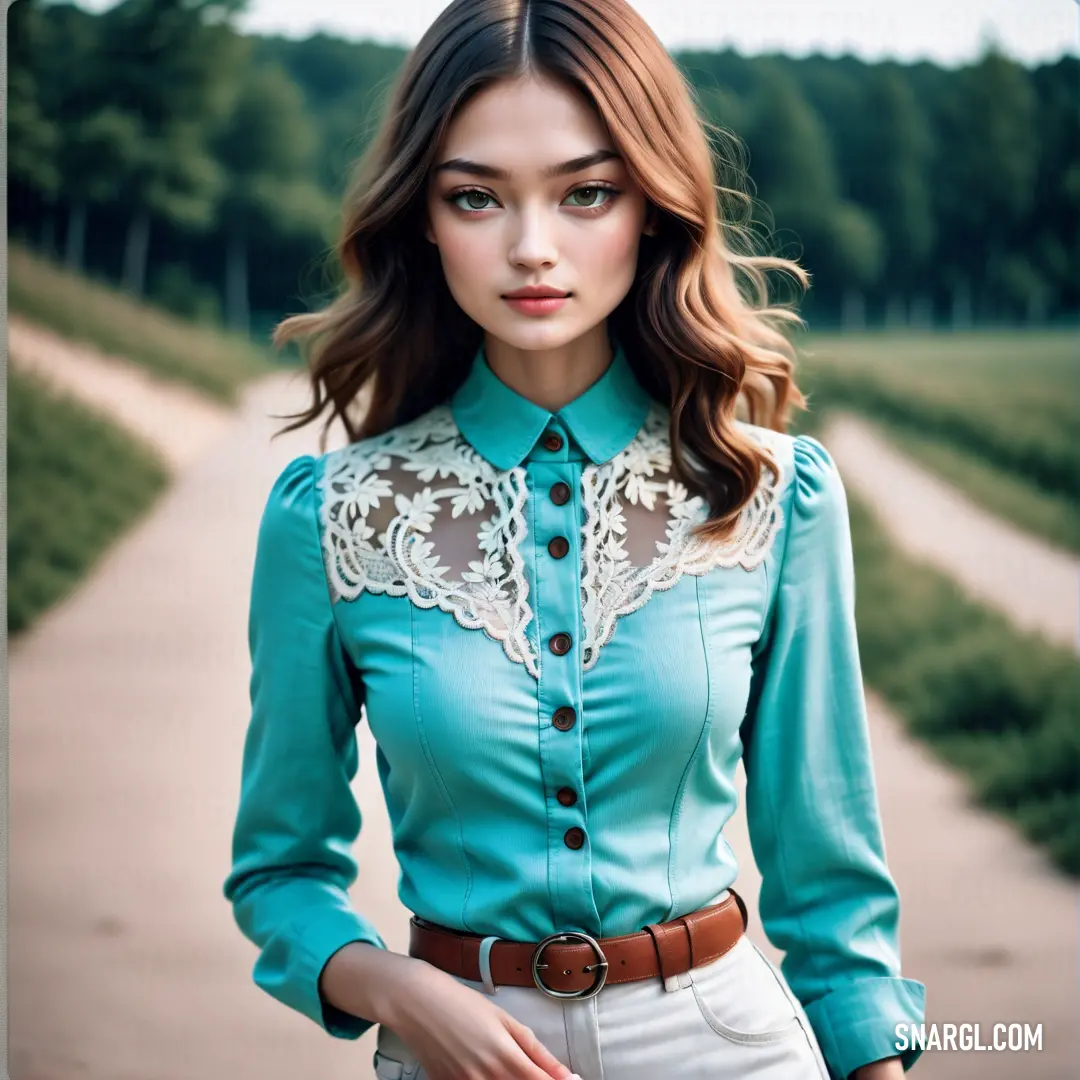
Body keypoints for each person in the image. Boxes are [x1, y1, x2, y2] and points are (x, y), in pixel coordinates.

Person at [222, 1, 926, 1077]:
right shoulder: (331, 515)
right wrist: (403, 991)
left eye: (585, 192)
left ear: (651, 205)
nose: (531, 248)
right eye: (475, 197)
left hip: (729, 1047)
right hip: (450, 1049)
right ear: (423, 214)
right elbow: (277, 871)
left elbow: (831, 890)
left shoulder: (772, 495)